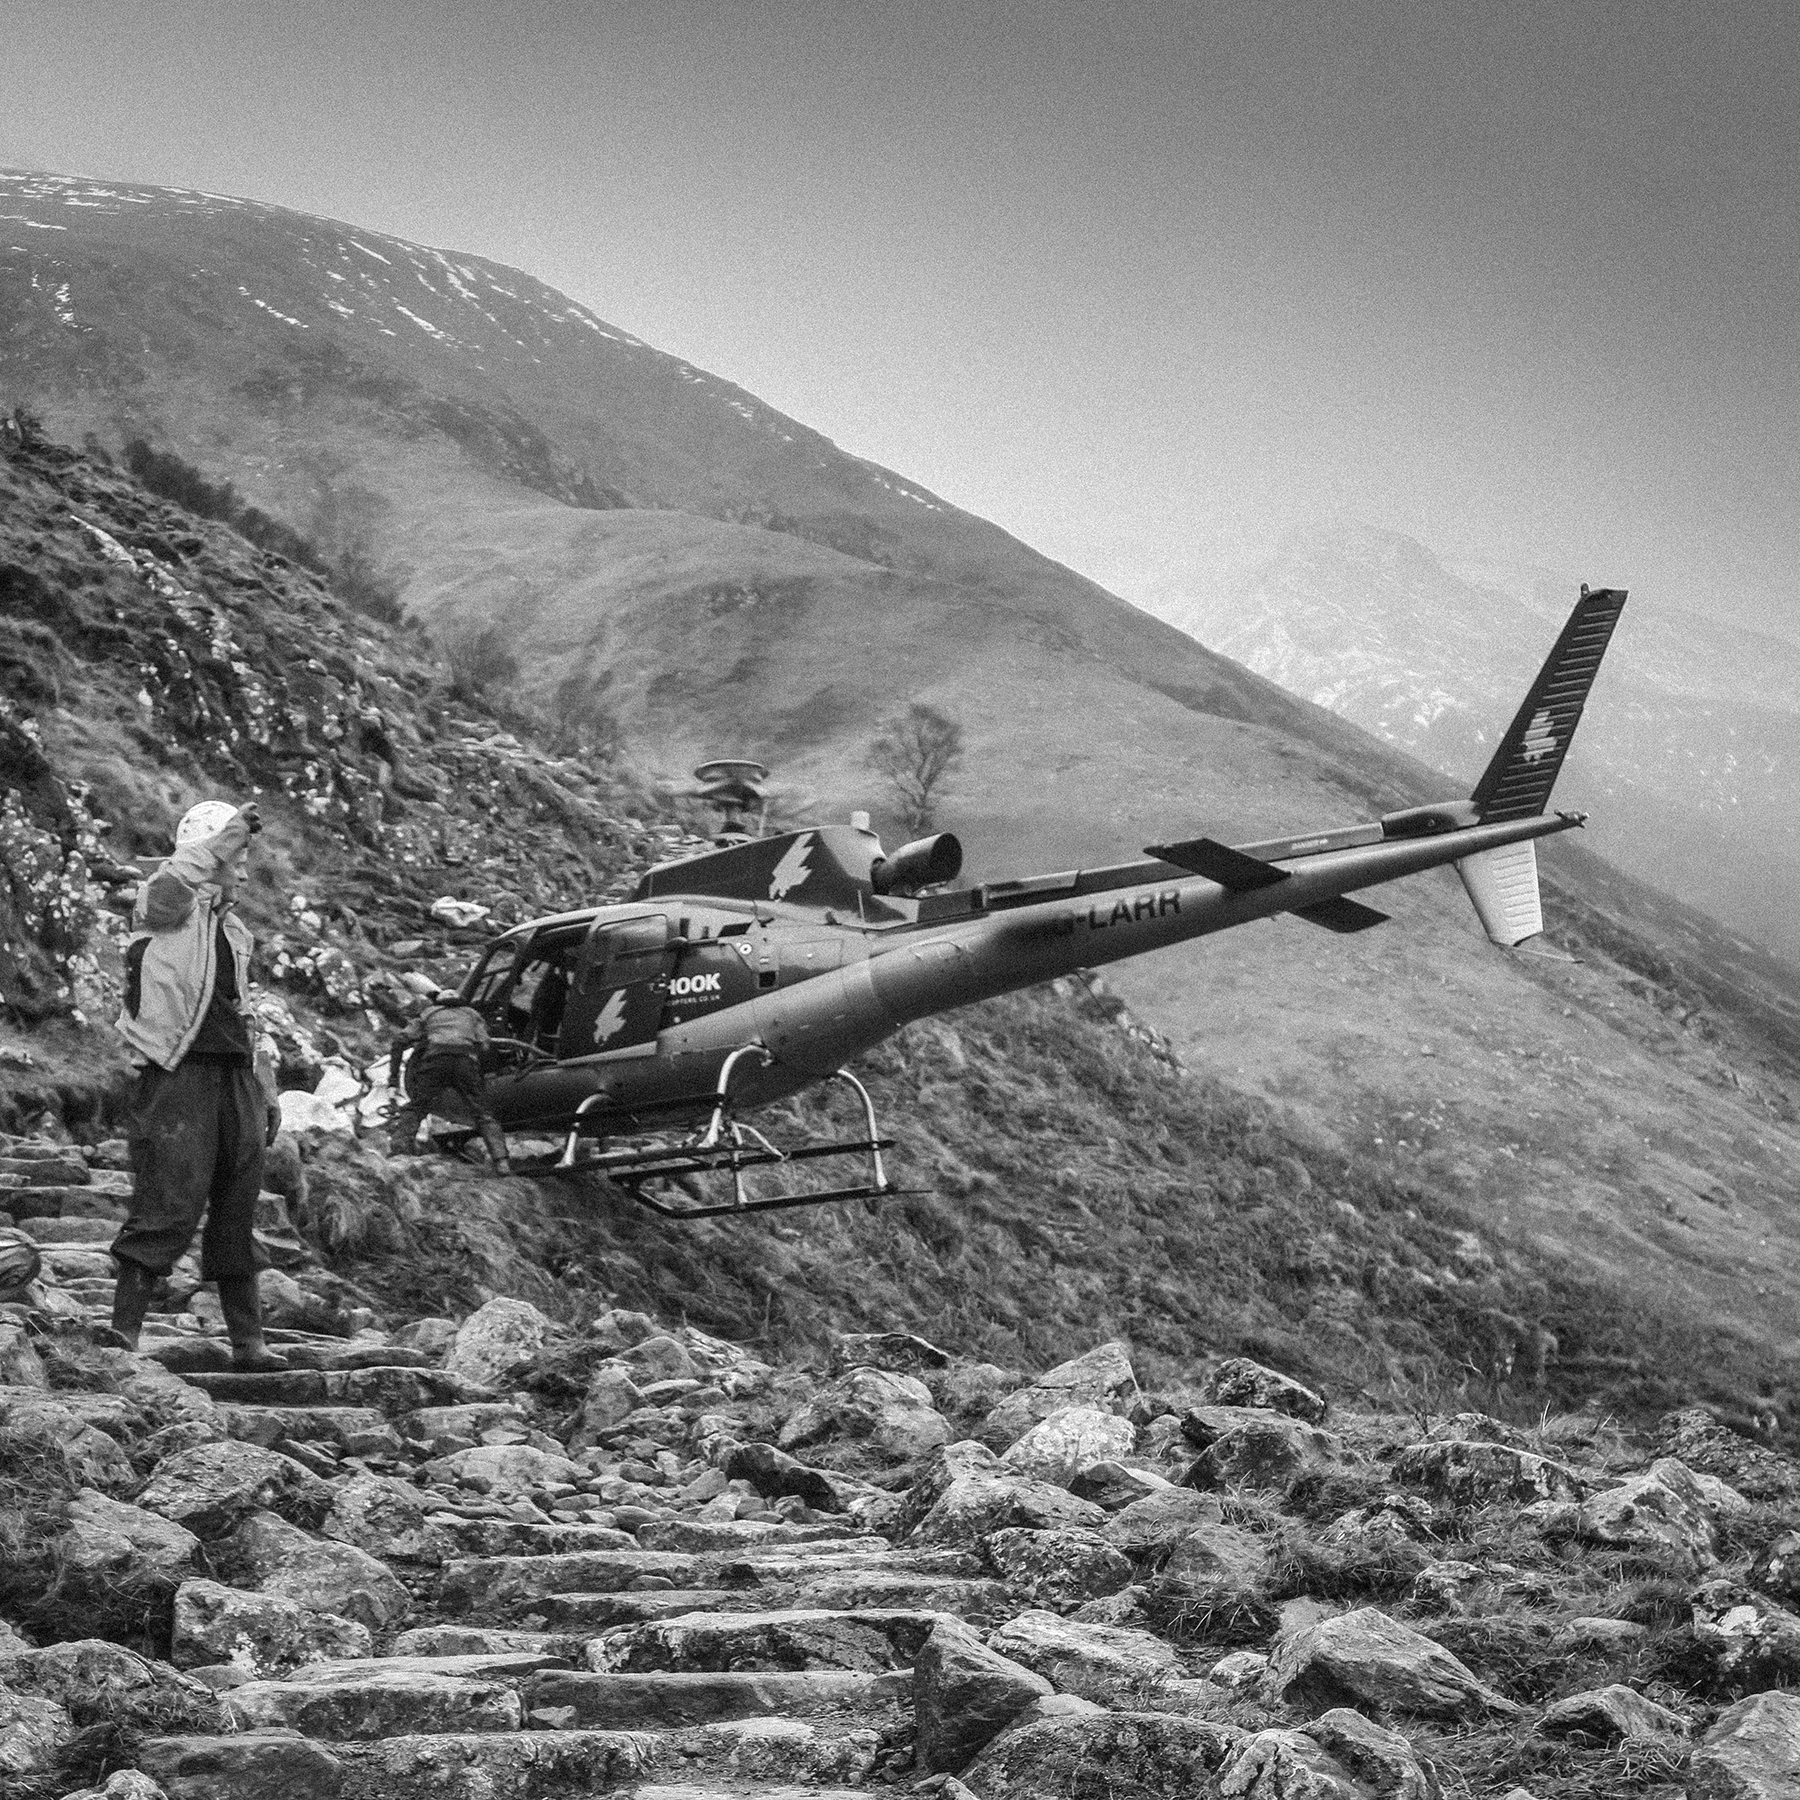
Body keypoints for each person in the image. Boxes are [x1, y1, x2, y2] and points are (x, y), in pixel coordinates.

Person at [109, 799, 287, 1369]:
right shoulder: (163, 907)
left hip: (234, 1075)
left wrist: (265, 1084)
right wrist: (215, 845)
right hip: (177, 1074)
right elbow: (169, 889)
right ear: (206, 855)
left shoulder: (234, 930)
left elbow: (243, 1010)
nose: (241, 865)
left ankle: (248, 1342)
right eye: (233, 854)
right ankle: (123, 1336)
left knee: (237, 1205)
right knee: (169, 1199)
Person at [386, 992, 512, 1172]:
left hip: (435, 1063)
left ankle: (399, 1152)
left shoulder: (429, 1013)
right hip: (465, 1064)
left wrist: (393, 1080)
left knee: (417, 1107)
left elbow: (400, 1040)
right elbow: (485, 1043)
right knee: (482, 1113)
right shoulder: (471, 1014)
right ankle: (501, 1161)